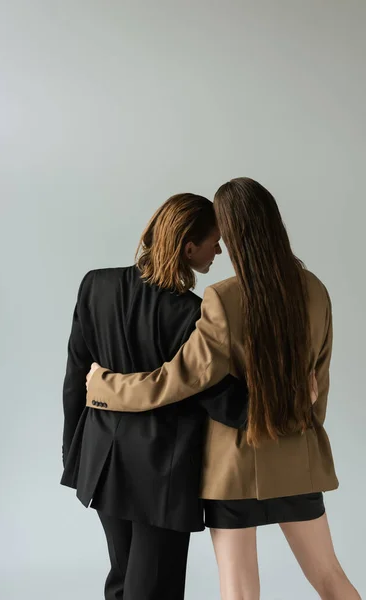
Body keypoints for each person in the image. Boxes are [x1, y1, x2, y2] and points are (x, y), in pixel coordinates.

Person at [86, 178, 361, 600]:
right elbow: (317, 391)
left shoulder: (221, 299)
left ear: (230, 233)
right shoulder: (316, 291)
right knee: (331, 579)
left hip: (233, 471)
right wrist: (297, 418)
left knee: (239, 593)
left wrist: (107, 387)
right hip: (298, 459)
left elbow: (178, 382)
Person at [61, 193, 248, 600]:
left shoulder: (96, 285)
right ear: (187, 247)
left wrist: (74, 455)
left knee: (123, 579)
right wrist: (280, 400)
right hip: (162, 470)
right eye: (214, 241)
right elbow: (218, 398)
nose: (219, 250)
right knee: (154, 588)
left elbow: (77, 377)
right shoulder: (193, 314)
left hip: (103, 462)